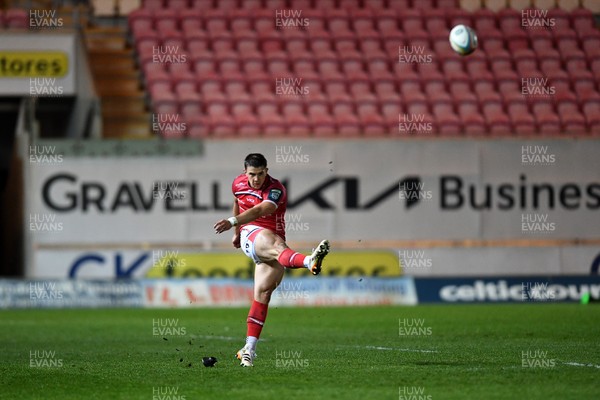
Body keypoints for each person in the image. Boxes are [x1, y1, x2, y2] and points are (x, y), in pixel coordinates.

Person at [213, 153, 330, 367]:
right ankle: (308, 261)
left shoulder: (276, 189)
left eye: (260, 174)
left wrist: (232, 222)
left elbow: (262, 209)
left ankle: (248, 349)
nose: (256, 179)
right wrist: (237, 231)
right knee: (275, 246)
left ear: (267, 170)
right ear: (244, 171)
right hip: (252, 233)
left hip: (273, 240)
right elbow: (238, 202)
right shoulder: (237, 183)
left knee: (263, 293)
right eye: (252, 174)